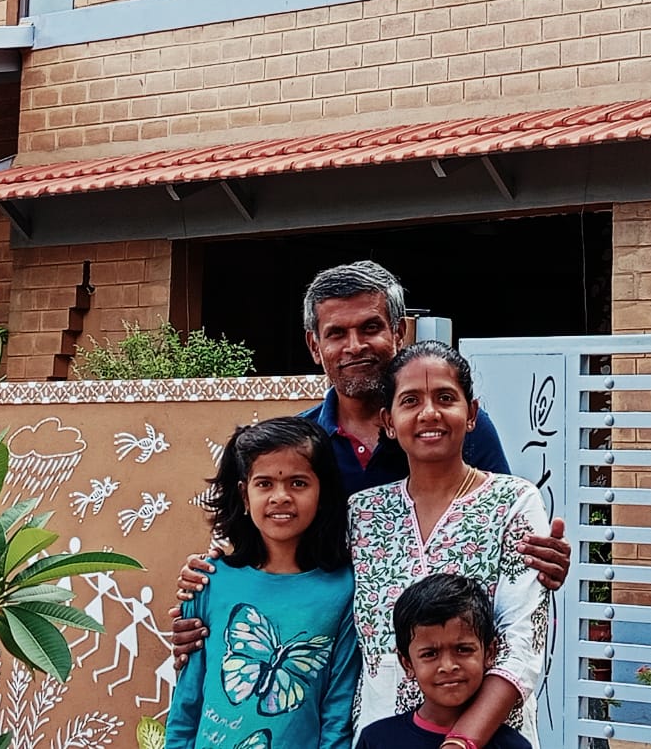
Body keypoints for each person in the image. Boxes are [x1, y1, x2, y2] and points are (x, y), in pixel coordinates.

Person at [172, 261, 570, 660]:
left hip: (444, 669)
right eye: (336, 334)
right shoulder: (295, 450)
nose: (354, 346)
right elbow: (251, 550)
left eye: (370, 328)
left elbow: (502, 534)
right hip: (320, 662)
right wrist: (204, 596)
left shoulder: (457, 431)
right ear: (314, 346)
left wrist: (539, 561)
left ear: (398, 333)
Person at [347, 342, 547, 748]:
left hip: (491, 737)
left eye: (445, 398)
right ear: (388, 420)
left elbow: (524, 641)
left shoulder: (514, 502)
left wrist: (462, 741)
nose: (429, 413)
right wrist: (205, 583)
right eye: (410, 400)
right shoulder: (363, 512)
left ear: (471, 414)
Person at [165, 417, 361, 749]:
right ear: (244, 495)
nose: (280, 497)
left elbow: (336, 712)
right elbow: (186, 702)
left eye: (298, 483)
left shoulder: (343, 589)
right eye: (264, 484)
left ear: (322, 492)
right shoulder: (209, 581)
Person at [355, 573, 532, 749]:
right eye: (430, 654)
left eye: (463, 650)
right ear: (407, 663)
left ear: (490, 653)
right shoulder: (377, 740)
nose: (448, 666)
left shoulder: (512, 745)